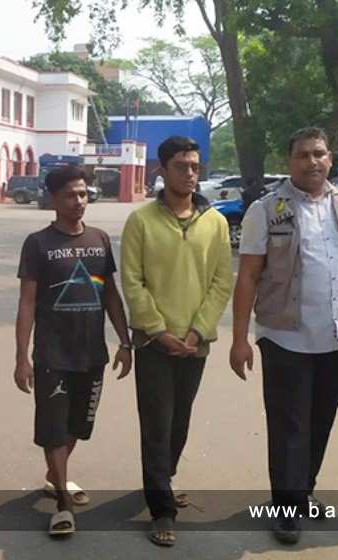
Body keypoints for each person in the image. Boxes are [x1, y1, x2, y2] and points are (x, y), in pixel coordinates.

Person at [229, 127, 338, 545]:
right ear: (289, 161)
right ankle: (285, 507)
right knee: (289, 426)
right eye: (302, 155)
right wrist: (240, 338)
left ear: (330, 158)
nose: (312, 161)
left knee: (320, 421)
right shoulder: (266, 209)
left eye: (319, 153)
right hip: (285, 337)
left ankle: (303, 490)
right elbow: (248, 275)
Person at [120, 136, 233, 547]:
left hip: (195, 343)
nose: (190, 173)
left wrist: (196, 331)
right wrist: (159, 331)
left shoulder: (215, 222)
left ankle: (161, 479)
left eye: (195, 166)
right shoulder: (141, 221)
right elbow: (132, 281)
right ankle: (161, 507)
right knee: (156, 423)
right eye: (182, 165)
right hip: (155, 344)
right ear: (162, 170)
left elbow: (222, 281)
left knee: (179, 420)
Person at [14, 165, 133, 537]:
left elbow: (109, 293)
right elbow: (27, 303)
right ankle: (62, 504)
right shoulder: (38, 243)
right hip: (52, 356)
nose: (79, 201)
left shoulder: (98, 239)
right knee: (54, 427)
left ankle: (56, 475)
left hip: (91, 355)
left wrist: (125, 342)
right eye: (70, 194)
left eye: (83, 193)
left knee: (79, 426)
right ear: (53, 199)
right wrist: (22, 356)